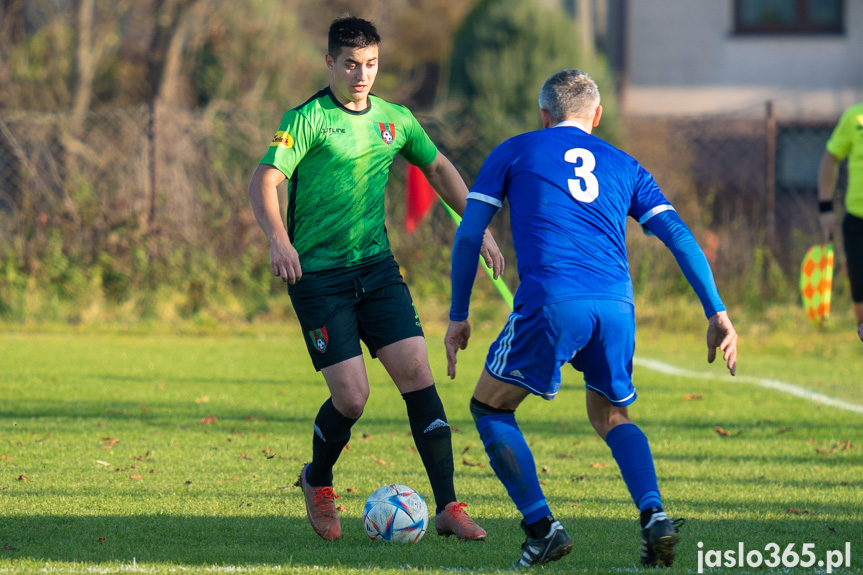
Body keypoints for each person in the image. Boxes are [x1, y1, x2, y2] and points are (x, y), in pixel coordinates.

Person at [444, 69, 738, 568]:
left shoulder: (516, 149)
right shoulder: (625, 164)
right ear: (596, 116)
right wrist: (717, 311)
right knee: (611, 415)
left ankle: (542, 528)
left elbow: (470, 235)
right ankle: (653, 515)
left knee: (490, 408)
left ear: (544, 115)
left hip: (553, 302)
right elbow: (681, 237)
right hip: (618, 308)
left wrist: (458, 315)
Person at [248, 15, 503, 542]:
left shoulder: (396, 119)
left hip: (377, 270)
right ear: (330, 63)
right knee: (353, 398)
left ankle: (449, 506)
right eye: (350, 64)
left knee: (417, 372)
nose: (361, 75)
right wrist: (279, 238)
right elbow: (265, 179)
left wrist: (478, 229)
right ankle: (316, 480)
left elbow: (439, 168)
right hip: (318, 277)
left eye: (370, 64)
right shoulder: (306, 119)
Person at [818, 101, 863, 341]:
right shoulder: (854, 117)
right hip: (858, 224)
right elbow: (830, 159)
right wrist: (825, 209)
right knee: (861, 309)